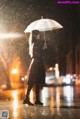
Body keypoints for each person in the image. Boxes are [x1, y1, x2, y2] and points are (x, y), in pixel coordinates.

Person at [23, 30, 46, 106]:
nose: (40, 36)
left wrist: (43, 48)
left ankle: (37, 100)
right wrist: (43, 49)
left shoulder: (35, 43)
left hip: (36, 63)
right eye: (38, 34)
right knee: (32, 82)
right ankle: (26, 99)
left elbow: (38, 54)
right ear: (35, 35)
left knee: (36, 82)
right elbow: (38, 54)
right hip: (36, 64)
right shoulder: (35, 44)